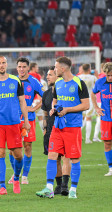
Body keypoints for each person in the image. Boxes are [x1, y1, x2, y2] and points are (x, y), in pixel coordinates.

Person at [36, 56, 89, 199]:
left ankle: (73, 189)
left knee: (74, 159)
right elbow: (55, 101)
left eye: (55, 67)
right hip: (58, 126)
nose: (54, 69)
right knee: (52, 155)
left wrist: (67, 109)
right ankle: (49, 188)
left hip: (73, 126)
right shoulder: (58, 84)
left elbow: (86, 105)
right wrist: (54, 109)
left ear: (63, 68)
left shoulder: (79, 83)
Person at [0, 55, 30, 195]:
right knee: (0, 153)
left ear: (6, 64)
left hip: (14, 122)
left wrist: (26, 120)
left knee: (18, 155)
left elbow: (22, 101)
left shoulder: (15, 80)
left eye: (3, 63)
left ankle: (16, 178)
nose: (1, 65)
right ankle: (2, 186)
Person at [8, 58, 44, 185]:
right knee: (13, 149)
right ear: (16, 68)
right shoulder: (11, 81)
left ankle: (25, 176)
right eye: (19, 67)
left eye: (24, 66)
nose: (22, 69)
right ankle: (15, 174)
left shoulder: (34, 82)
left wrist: (34, 108)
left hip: (28, 120)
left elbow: (45, 97)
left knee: (27, 147)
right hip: (13, 120)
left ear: (28, 68)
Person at [41, 66, 71, 195]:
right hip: (50, 130)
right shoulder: (47, 94)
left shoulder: (64, 91)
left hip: (65, 127)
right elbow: (45, 113)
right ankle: (58, 186)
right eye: (47, 74)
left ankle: (65, 185)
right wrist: (45, 127)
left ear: (57, 76)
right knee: (54, 158)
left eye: (50, 75)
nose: (47, 77)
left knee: (65, 157)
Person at [78, 64, 98, 144]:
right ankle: (87, 139)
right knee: (88, 118)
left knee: (80, 118)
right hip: (89, 99)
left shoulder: (78, 77)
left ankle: (78, 136)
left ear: (82, 69)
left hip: (80, 99)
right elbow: (98, 86)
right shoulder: (93, 77)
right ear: (89, 69)